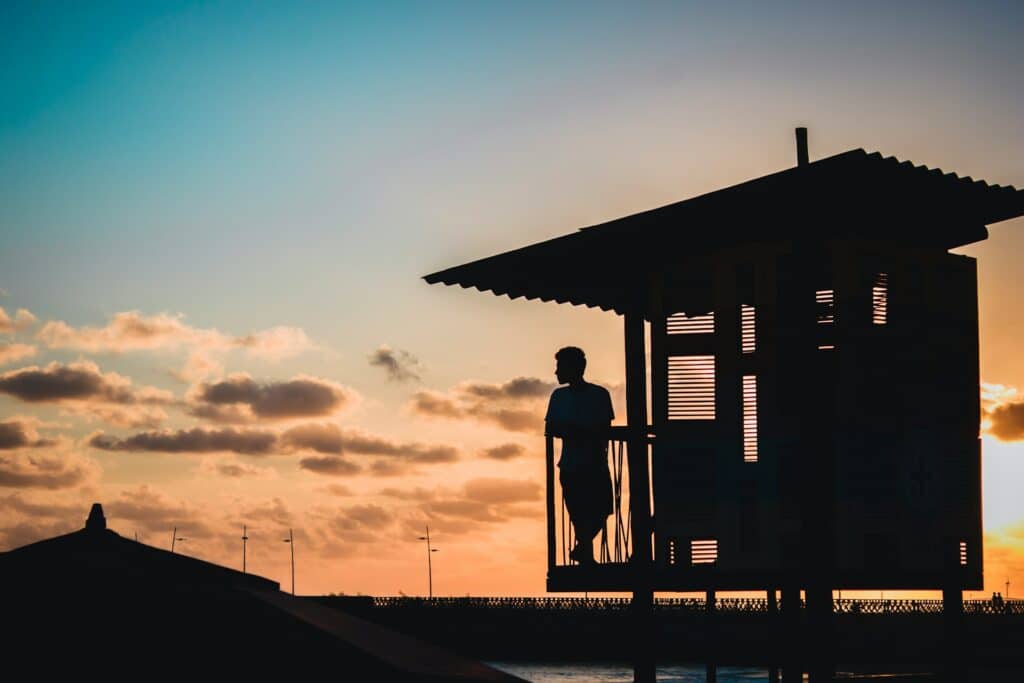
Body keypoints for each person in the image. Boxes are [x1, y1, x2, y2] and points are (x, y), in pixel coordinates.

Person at [544, 346, 614, 565]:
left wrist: (578, 431)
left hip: (595, 464)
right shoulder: (559, 397)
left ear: (575, 368)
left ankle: (583, 550)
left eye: (560, 367)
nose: (556, 372)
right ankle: (585, 553)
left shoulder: (599, 394)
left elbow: (605, 428)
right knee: (578, 514)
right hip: (571, 466)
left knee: (602, 510)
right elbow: (551, 428)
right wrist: (575, 430)